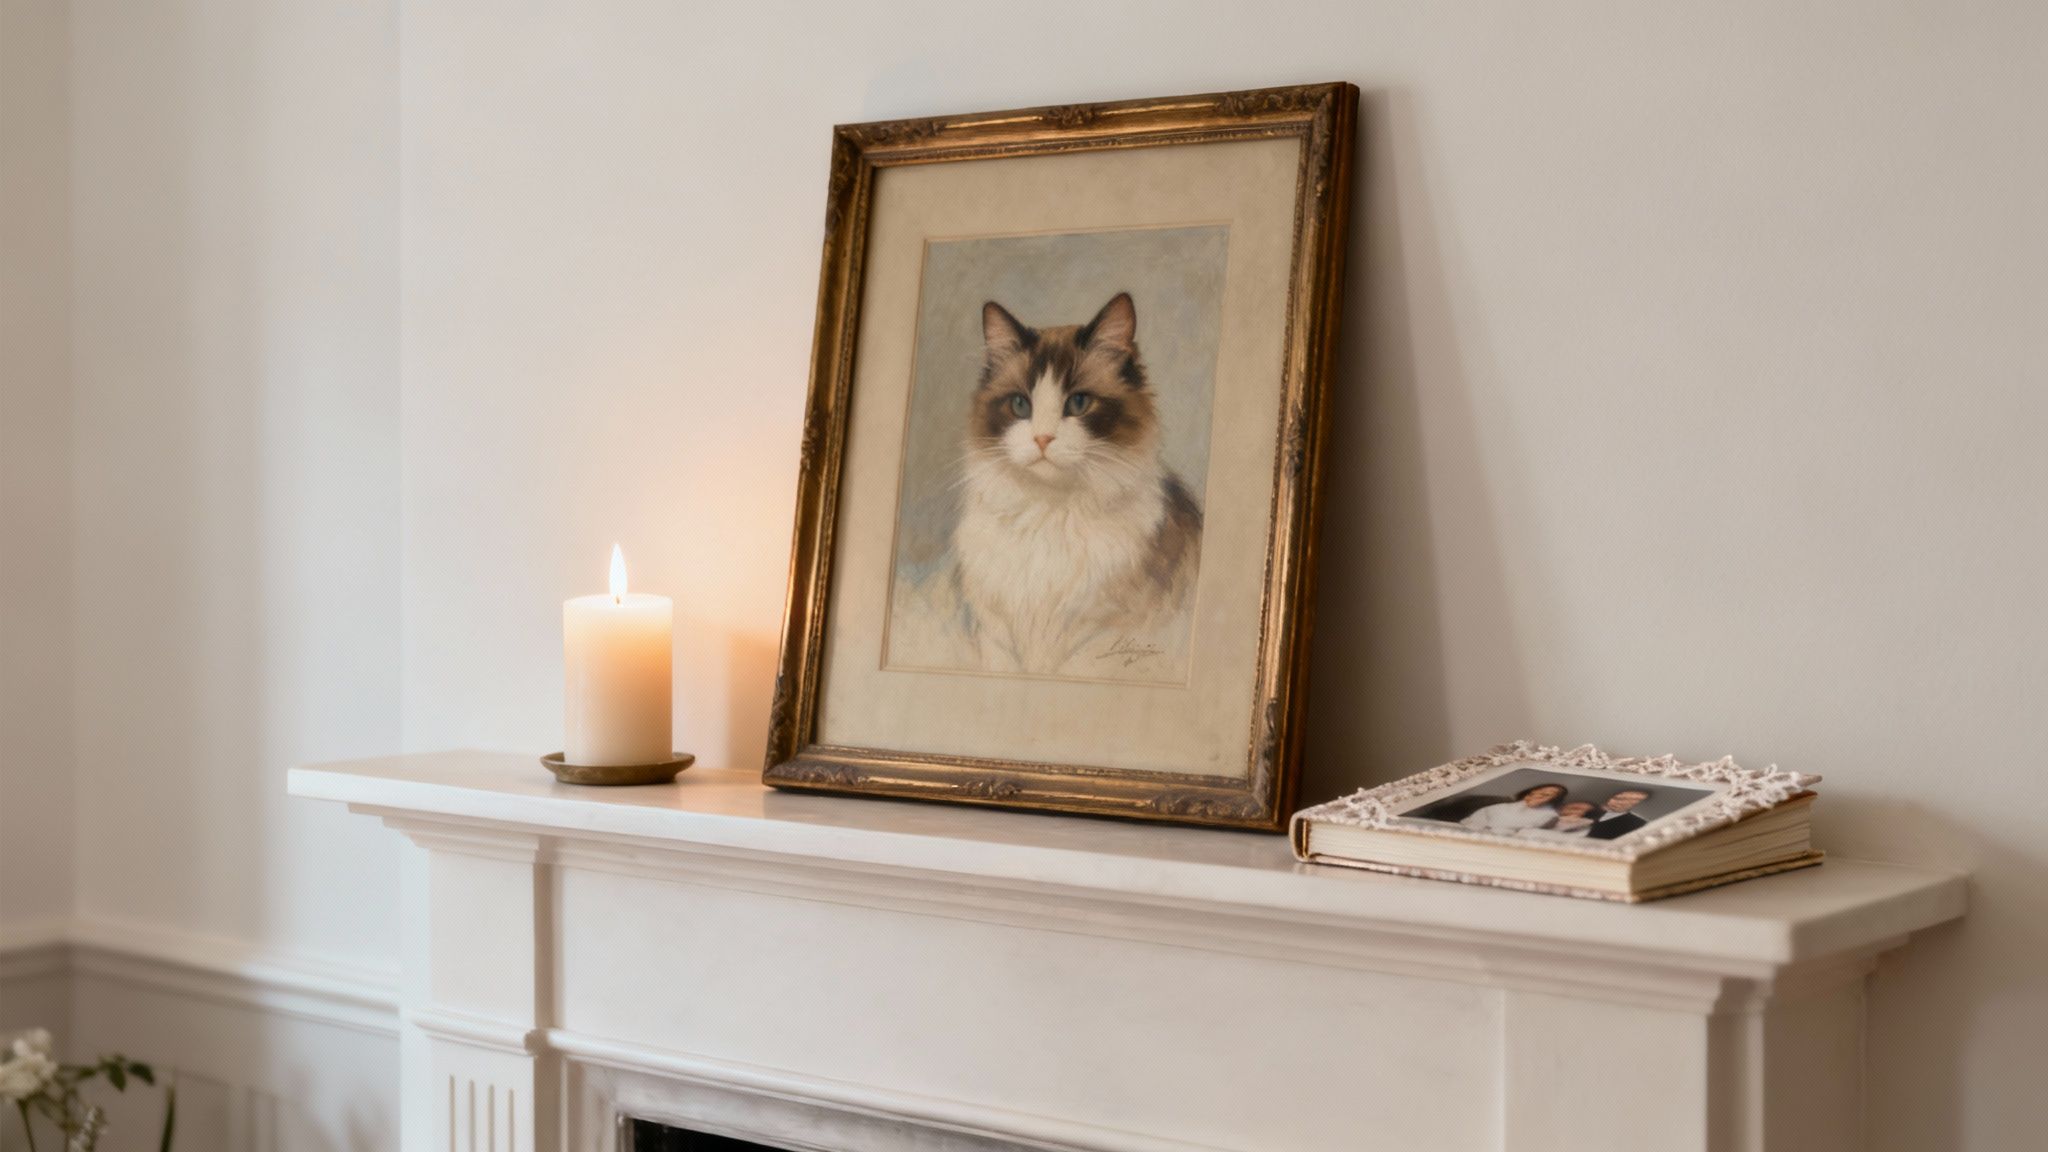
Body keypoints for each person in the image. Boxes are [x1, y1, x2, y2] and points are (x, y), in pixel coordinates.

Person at [1459, 783, 1568, 833]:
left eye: (1547, 795)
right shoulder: (1503, 806)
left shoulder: (1549, 815)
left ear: (1555, 799)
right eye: (1538, 792)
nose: (1538, 795)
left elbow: (1524, 830)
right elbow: (1478, 817)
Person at [1582, 788, 1654, 840]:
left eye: (1632, 800)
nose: (1621, 802)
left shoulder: (1638, 824)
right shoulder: (1587, 809)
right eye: (1621, 797)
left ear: (1637, 804)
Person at [1519, 800, 1599, 839]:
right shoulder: (1541, 818)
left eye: (1577, 809)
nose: (1573, 811)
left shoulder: (1589, 827)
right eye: (1570, 807)